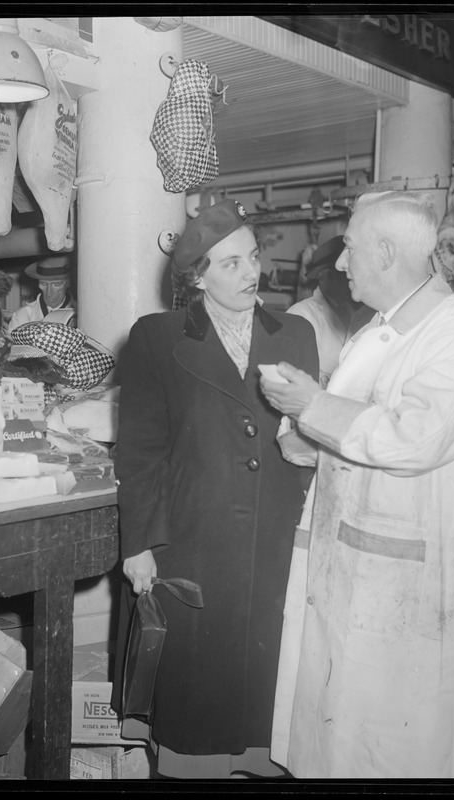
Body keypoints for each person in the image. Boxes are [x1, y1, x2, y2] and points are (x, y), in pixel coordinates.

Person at [260, 190, 454, 779]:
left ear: (384, 251)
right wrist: (299, 424)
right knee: (343, 741)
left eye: (349, 248)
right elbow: (346, 436)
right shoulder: (374, 331)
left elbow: (412, 440)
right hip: (355, 570)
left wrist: (314, 406)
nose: (341, 263)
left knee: (406, 753)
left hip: (420, 588)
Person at [113, 198, 319, 779]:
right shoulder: (156, 338)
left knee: (265, 693)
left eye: (252, 257)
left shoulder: (296, 334)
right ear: (196, 276)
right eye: (230, 264)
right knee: (198, 701)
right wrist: (139, 544)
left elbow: (309, 436)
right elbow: (142, 451)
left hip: (275, 536)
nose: (251, 273)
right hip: (194, 538)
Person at [286, 235, 375, 387]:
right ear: (323, 275)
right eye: (342, 272)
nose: (349, 276)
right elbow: (293, 381)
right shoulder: (302, 315)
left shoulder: (363, 316)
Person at [7, 256, 76, 332]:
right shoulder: (21, 316)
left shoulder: (80, 315)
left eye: (57, 284)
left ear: (68, 283)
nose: (49, 293)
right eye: (44, 284)